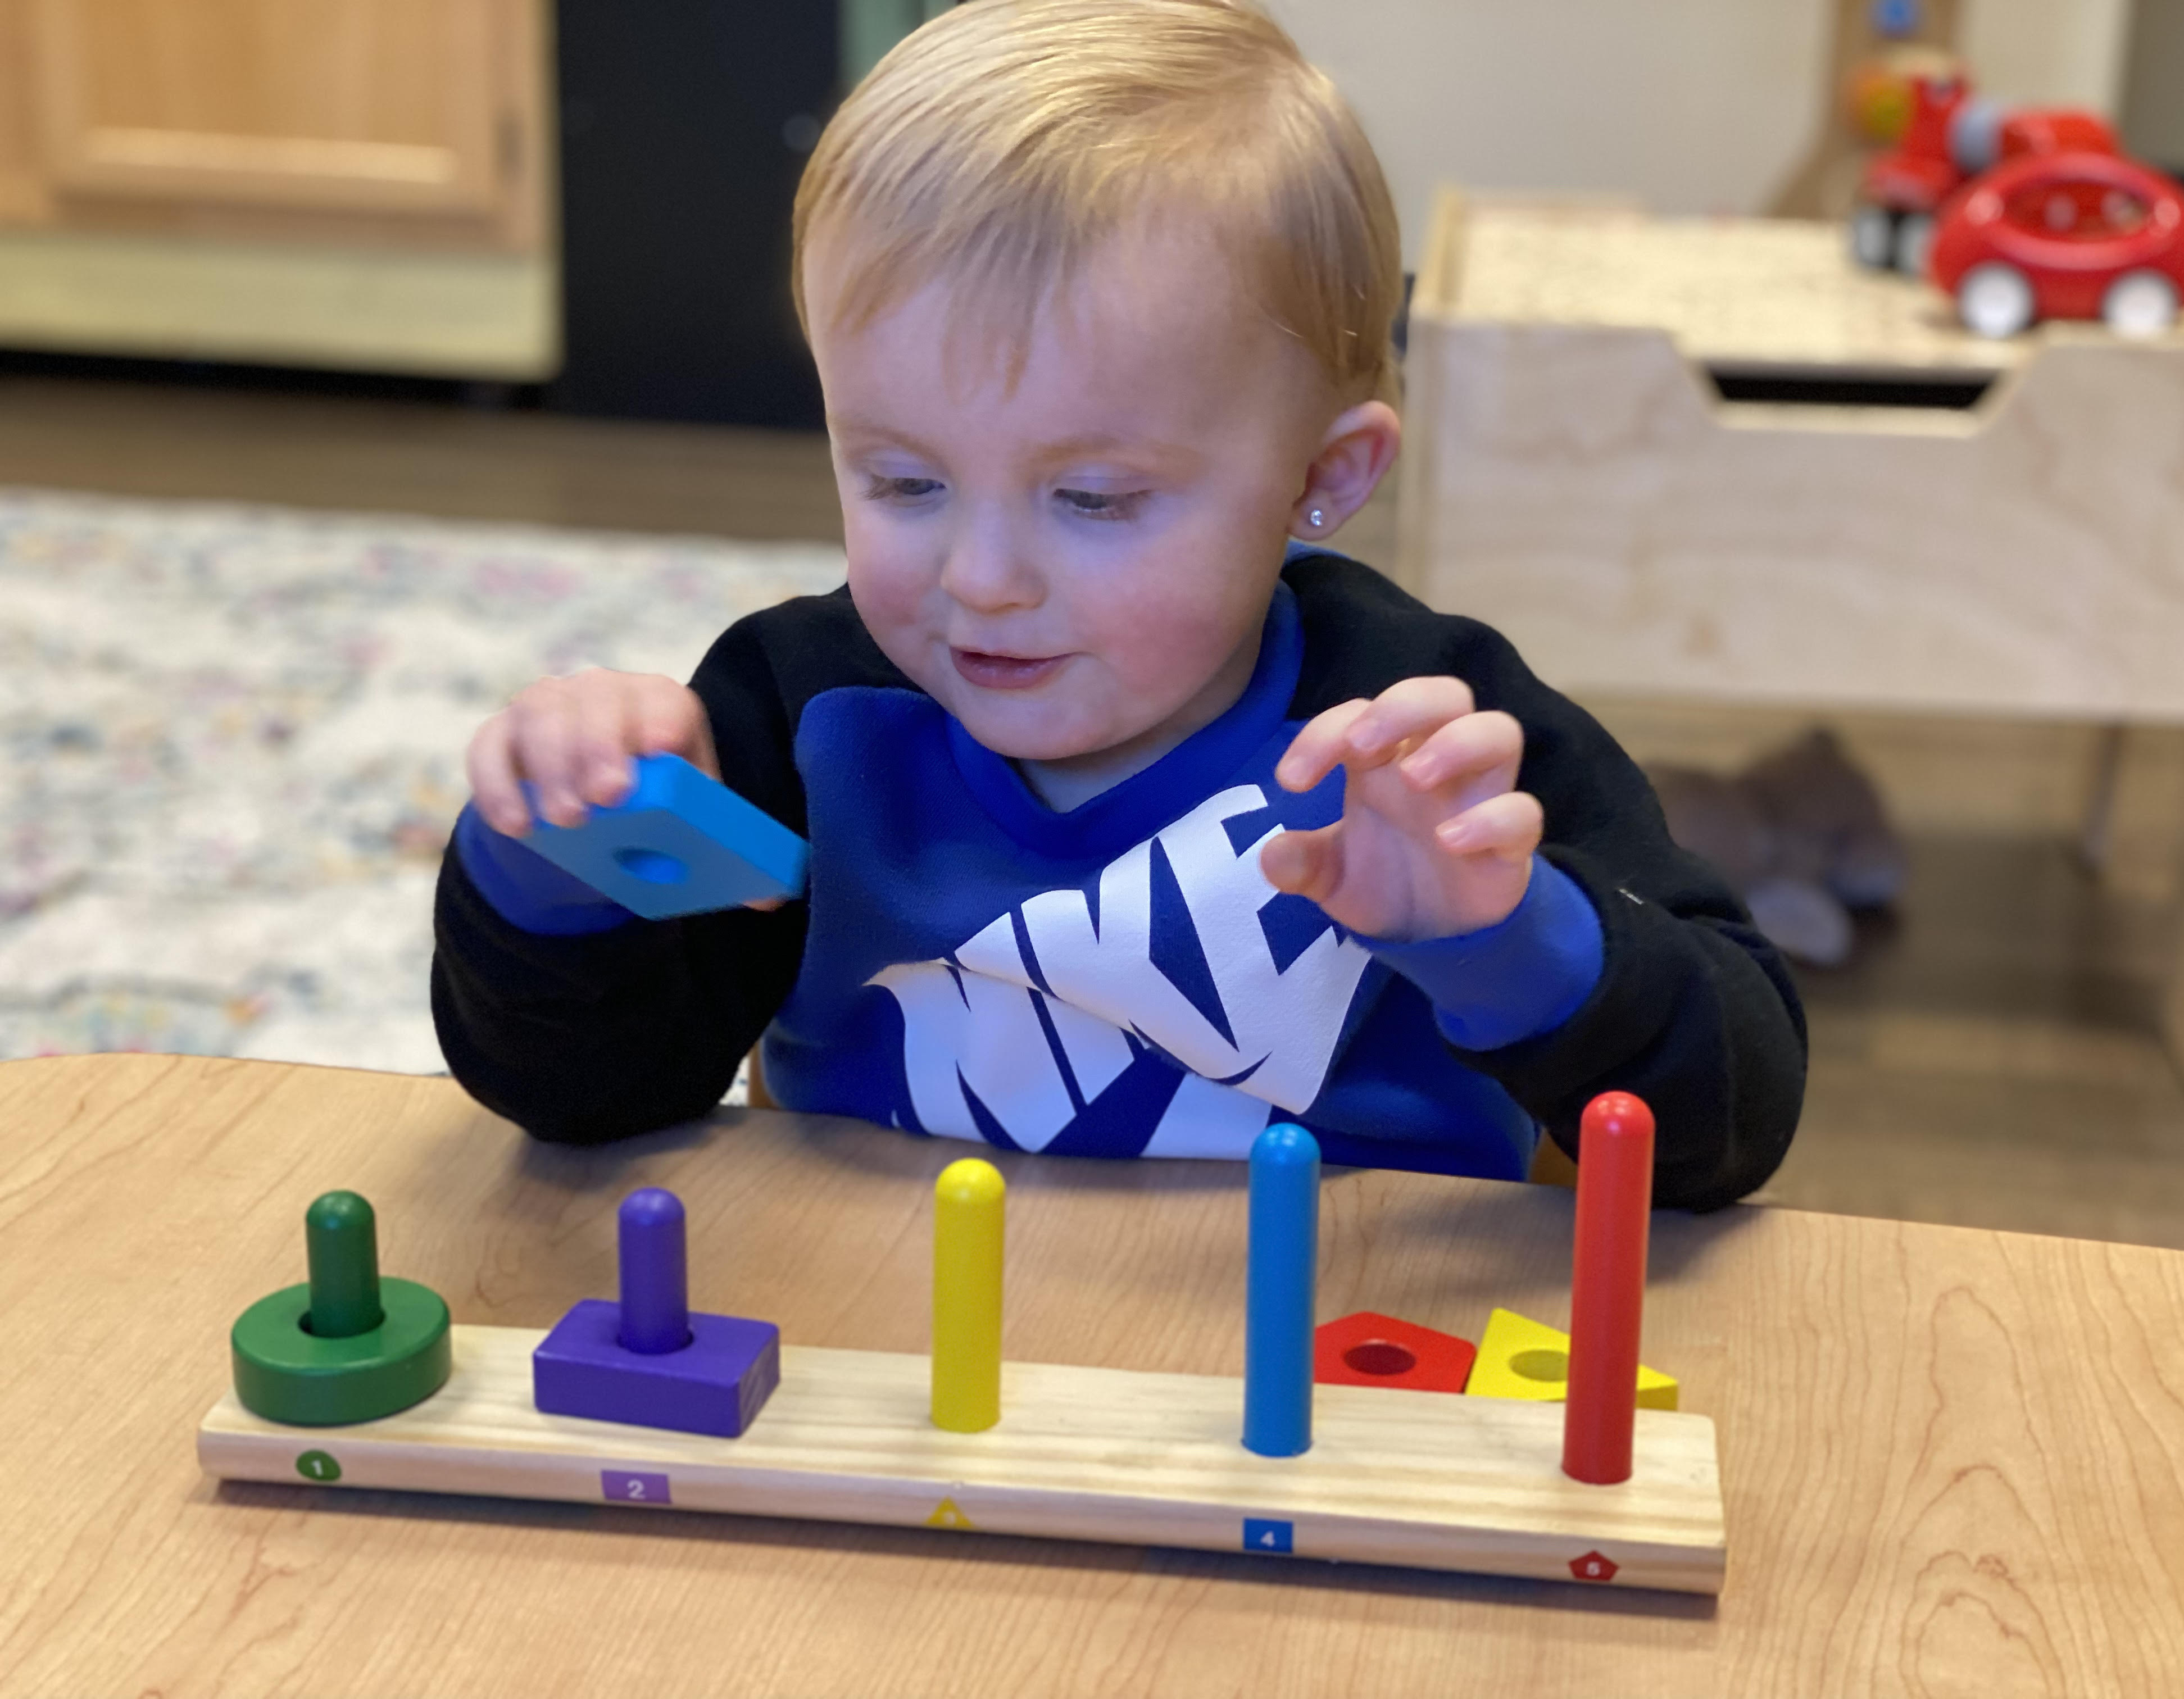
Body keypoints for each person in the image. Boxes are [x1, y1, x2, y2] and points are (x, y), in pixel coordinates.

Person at [432, 0, 1804, 1209]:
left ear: (1321, 479)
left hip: (1326, 1401)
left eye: (1091, 499)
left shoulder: (1422, 739)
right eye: (903, 480)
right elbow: (591, 1101)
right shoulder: (800, 712)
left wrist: (1506, 938)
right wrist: (553, 866)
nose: (980, 577)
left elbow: (1730, 1123)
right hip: (889, 1385)